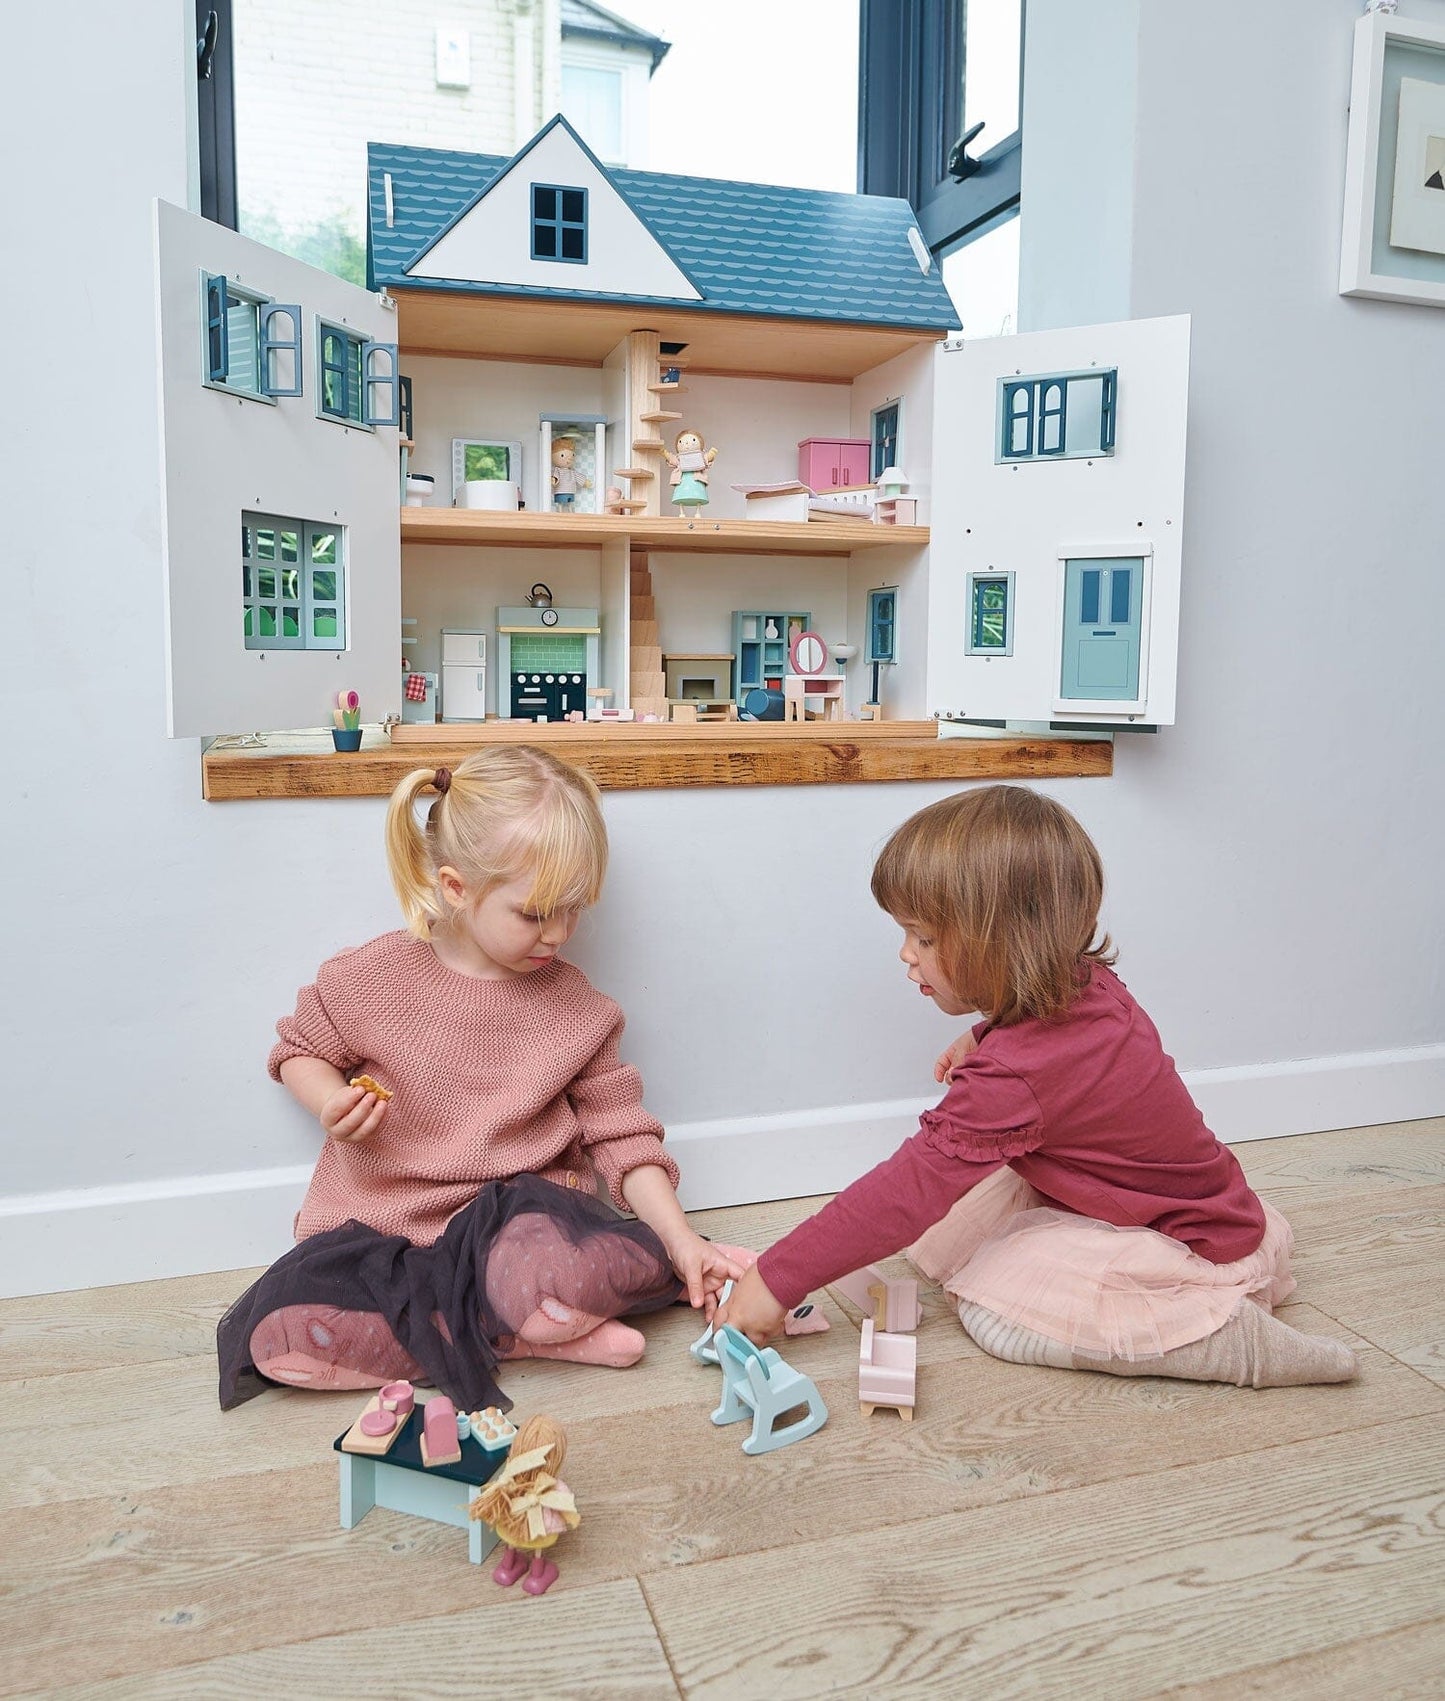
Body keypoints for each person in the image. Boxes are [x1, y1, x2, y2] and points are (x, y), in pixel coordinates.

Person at [720, 786, 1358, 1391]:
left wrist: (778, 1278)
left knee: (994, 1314)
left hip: (1185, 1239)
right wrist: (983, 1037)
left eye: (925, 937)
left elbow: (906, 1191)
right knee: (953, 1238)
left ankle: (1232, 1345)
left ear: (1005, 943)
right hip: (1188, 1196)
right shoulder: (1084, 984)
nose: (905, 955)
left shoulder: (1017, 1077)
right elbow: (1071, 1067)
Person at [217, 746, 739, 1411]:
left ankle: (499, 1318)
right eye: (534, 912)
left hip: (514, 1229)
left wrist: (682, 1239)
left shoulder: (578, 1009)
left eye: (573, 909)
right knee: (280, 1333)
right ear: (456, 888)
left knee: (610, 1259)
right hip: (391, 1233)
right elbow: (297, 1049)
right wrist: (329, 1100)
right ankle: (513, 1333)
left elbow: (624, 1138)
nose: (558, 932)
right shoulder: (370, 980)